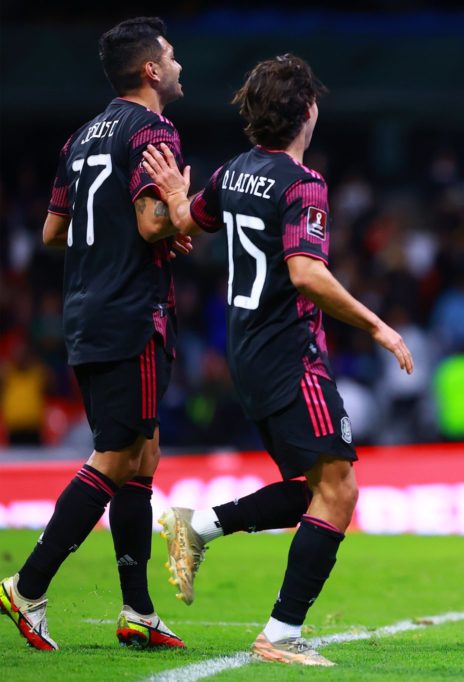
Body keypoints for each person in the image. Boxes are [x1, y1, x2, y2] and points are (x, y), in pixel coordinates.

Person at [141, 53, 413, 667]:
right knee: (339, 491)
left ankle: (198, 525)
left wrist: (178, 192)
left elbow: (183, 220)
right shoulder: (302, 183)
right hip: (291, 354)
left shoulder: (234, 171)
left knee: (315, 487)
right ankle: (280, 633)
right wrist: (377, 325)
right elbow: (306, 273)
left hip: (246, 352)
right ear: (308, 111)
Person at [0, 17, 190, 651]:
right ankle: (27, 585)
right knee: (116, 457)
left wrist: (127, 230)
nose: (179, 66)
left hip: (86, 309)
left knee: (142, 455)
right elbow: (152, 222)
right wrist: (180, 205)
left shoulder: (80, 137)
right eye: (172, 56)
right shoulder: (153, 130)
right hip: (130, 311)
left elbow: (54, 231)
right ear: (151, 70)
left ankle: (138, 610)